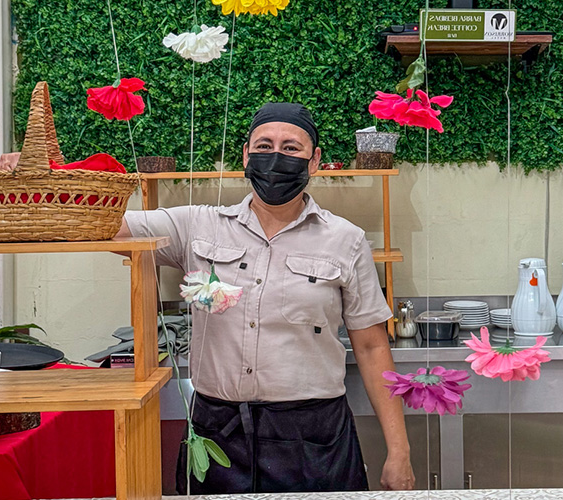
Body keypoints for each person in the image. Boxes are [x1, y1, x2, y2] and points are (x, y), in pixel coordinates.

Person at [120, 103, 414, 493]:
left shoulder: (346, 240)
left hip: (313, 437)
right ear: (246, 155)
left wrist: (399, 451)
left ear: (314, 161)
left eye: (291, 148)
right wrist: (49, 179)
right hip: (217, 435)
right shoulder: (197, 225)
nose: (276, 157)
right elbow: (108, 226)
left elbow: (373, 346)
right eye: (264, 146)